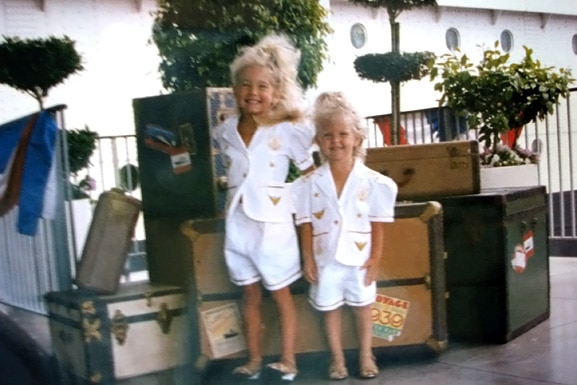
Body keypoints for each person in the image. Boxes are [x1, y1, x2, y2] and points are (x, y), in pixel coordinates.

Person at [213, 34, 315, 382]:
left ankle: (288, 360)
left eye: (262, 86)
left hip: (273, 224)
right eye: (245, 84)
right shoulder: (226, 130)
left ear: (276, 91)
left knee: (281, 293)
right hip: (238, 223)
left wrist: (295, 202)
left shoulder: (288, 129)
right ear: (235, 88)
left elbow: (310, 174)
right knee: (250, 293)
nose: (252, 92)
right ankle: (253, 360)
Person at [293, 91, 398, 380]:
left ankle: (366, 353)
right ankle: (337, 358)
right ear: (318, 141)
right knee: (330, 308)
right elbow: (307, 225)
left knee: (363, 306)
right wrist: (308, 259)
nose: (335, 141)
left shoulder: (374, 183)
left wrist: (375, 259)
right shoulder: (308, 184)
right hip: (325, 258)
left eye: (342, 134)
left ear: (357, 139)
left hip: (360, 257)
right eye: (327, 135)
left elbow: (377, 223)